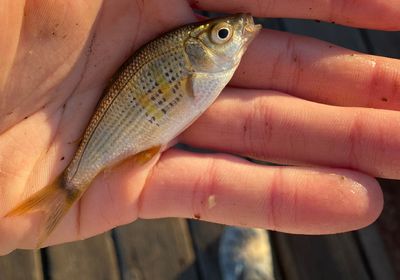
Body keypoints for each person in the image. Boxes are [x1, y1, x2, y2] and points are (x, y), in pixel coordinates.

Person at [0, 0, 399, 255]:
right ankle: (65, 189)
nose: (237, 30)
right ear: (196, 51)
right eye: (222, 34)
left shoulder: (208, 71)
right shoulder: (197, 68)